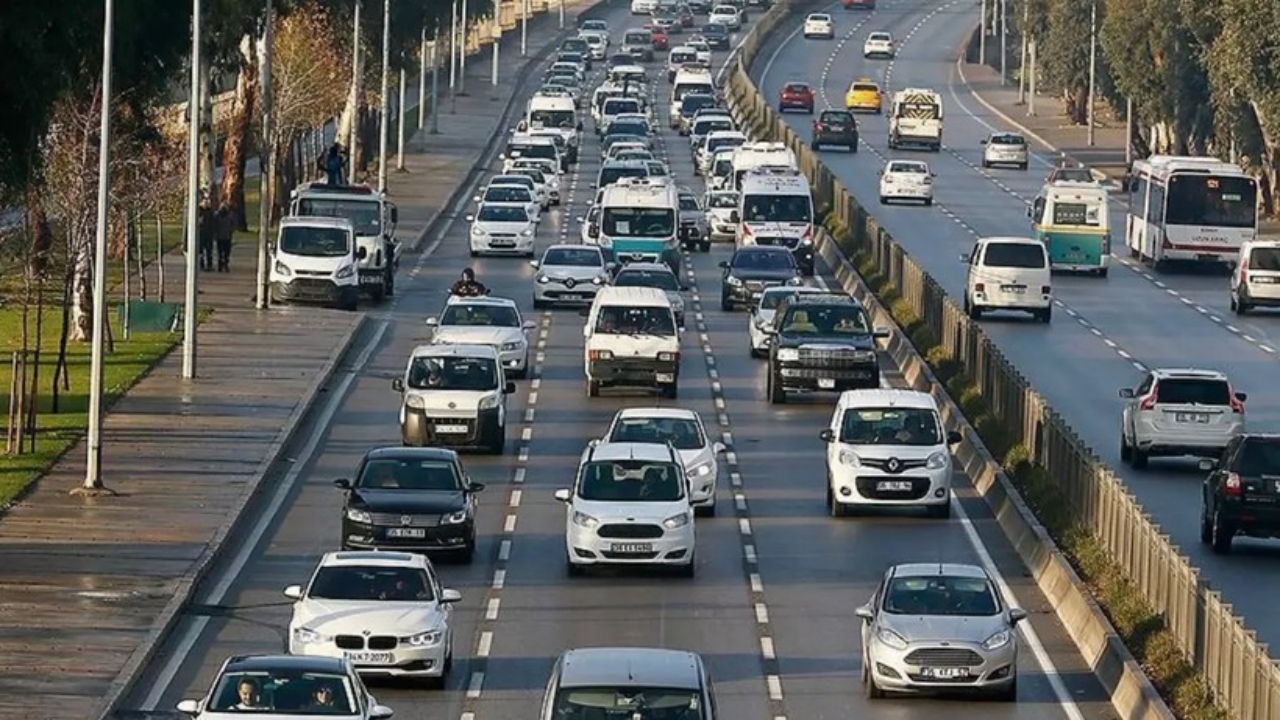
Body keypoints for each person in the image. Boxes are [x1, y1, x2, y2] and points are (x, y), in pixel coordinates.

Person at [214, 201, 234, 272]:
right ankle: (222, 264)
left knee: (224, 252)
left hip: (225, 236)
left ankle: (224, 264)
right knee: (222, 252)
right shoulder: (218, 215)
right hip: (223, 237)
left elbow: (232, 225)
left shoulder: (229, 215)